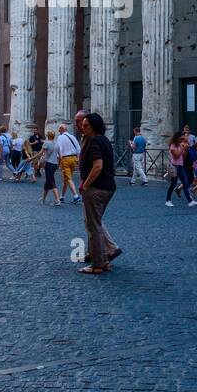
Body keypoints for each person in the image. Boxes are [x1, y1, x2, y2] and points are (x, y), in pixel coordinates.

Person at [76, 112, 120, 274]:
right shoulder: (105, 141)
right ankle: (104, 258)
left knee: (93, 226)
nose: (83, 127)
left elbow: (98, 166)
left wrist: (85, 185)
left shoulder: (94, 141)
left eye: (86, 125)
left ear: (94, 126)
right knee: (96, 223)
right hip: (108, 186)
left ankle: (97, 265)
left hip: (96, 188)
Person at [165, 132, 193, 206]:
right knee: (173, 184)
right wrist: (182, 148)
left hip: (180, 166)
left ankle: (190, 201)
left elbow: (183, 156)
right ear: (177, 138)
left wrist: (186, 144)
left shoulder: (180, 144)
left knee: (185, 183)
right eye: (181, 138)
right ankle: (168, 200)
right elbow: (176, 156)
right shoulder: (172, 146)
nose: (181, 139)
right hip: (175, 166)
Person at [56, 123, 81, 203]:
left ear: (62, 129)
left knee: (69, 178)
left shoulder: (60, 137)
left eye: (59, 129)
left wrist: (58, 162)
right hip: (74, 158)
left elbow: (60, 150)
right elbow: (79, 149)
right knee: (66, 178)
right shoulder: (72, 137)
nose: (58, 130)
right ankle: (62, 196)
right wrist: (78, 159)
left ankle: (76, 196)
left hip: (65, 159)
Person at [39, 130, 61, 204]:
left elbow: (40, 153)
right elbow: (59, 156)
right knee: (48, 181)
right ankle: (43, 199)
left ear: (47, 135)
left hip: (48, 164)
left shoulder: (47, 143)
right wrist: (58, 164)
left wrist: (32, 158)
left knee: (51, 181)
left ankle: (57, 200)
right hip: (54, 164)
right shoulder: (57, 144)